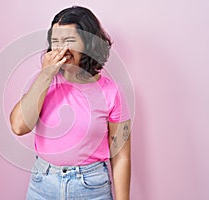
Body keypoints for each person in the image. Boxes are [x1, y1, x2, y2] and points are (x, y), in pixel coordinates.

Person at [10, 6, 131, 200]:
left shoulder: (112, 91)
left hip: (92, 187)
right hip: (43, 185)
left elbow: (121, 155)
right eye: (55, 41)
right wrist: (45, 75)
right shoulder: (42, 82)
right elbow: (18, 126)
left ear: (89, 44)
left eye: (69, 41)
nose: (61, 49)